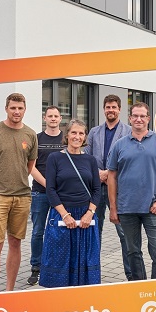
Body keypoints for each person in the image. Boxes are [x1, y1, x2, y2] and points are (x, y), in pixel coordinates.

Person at [106, 100, 156, 280]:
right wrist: (114, 208)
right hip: (127, 208)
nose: (139, 119)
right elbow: (111, 177)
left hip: (153, 208)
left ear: (148, 118)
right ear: (130, 118)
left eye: (142, 116)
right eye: (135, 116)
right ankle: (139, 287)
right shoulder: (119, 145)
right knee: (133, 252)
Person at [0, 93, 38, 292]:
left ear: (24, 110)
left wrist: (14, 183)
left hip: (21, 197)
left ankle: (9, 292)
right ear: (6, 108)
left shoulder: (30, 135)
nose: (16, 112)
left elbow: (29, 166)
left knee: (15, 243)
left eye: (20, 108)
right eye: (13, 108)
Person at [41, 119, 103, 287]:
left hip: (85, 217)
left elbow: (97, 190)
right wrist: (65, 214)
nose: (77, 136)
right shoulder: (55, 158)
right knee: (59, 259)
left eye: (81, 133)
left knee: (85, 259)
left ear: (85, 137)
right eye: (74, 132)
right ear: (67, 135)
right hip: (62, 215)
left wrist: (90, 213)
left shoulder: (90, 160)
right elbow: (51, 190)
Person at [87, 95, 132, 278]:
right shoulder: (94, 132)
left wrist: (109, 173)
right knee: (94, 232)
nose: (110, 110)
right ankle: (91, 273)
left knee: (124, 234)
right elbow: (87, 157)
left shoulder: (128, 131)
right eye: (107, 107)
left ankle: (131, 275)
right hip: (96, 188)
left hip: (119, 189)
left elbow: (130, 160)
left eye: (114, 107)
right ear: (103, 109)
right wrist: (99, 173)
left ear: (119, 109)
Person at [27, 105, 65, 286]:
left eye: (56, 116)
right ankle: (36, 266)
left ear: (60, 118)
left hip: (62, 193)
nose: (53, 119)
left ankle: (56, 263)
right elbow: (31, 166)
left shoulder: (65, 139)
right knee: (38, 231)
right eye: (50, 116)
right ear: (45, 118)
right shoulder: (36, 139)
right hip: (40, 192)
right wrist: (48, 185)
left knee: (59, 229)